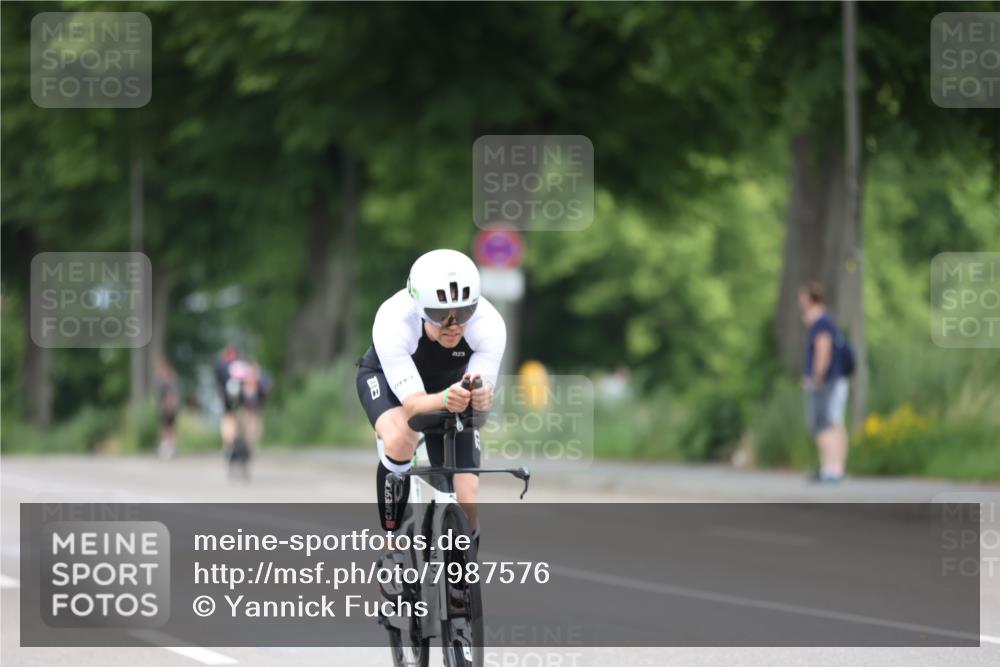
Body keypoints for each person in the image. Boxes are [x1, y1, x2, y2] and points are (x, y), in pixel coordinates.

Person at [356, 249, 506, 543]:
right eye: (439, 315)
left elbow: (477, 398)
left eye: (463, 313)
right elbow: (413, 406)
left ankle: (464, 567)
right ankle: (392, 541)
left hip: (450, 386)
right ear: (419, 308)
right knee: (402, 437)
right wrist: (445, 399)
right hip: (388, 381)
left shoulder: (489, 324)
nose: (453, 326)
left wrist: (482, 399)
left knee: (467, 494)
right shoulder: (393, 320)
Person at [798, 281, 850, 483]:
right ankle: (834, 468)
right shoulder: (826, 321)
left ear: (810, 300)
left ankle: (831, 469)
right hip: (835, 379)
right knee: (835, 423)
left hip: (825, 381)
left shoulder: (821, 323)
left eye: (802, 298)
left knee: (824, 424)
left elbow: (823, 350)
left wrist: (816, 377)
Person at [156, 356, 181, 459]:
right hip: (168, 406)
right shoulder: (170, 378)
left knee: (166, 428)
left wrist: (169, 405)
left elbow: (171, 394)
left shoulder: (167, 379)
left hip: (166, 407)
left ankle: (167, 449)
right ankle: (170, 448)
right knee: (170, 428)